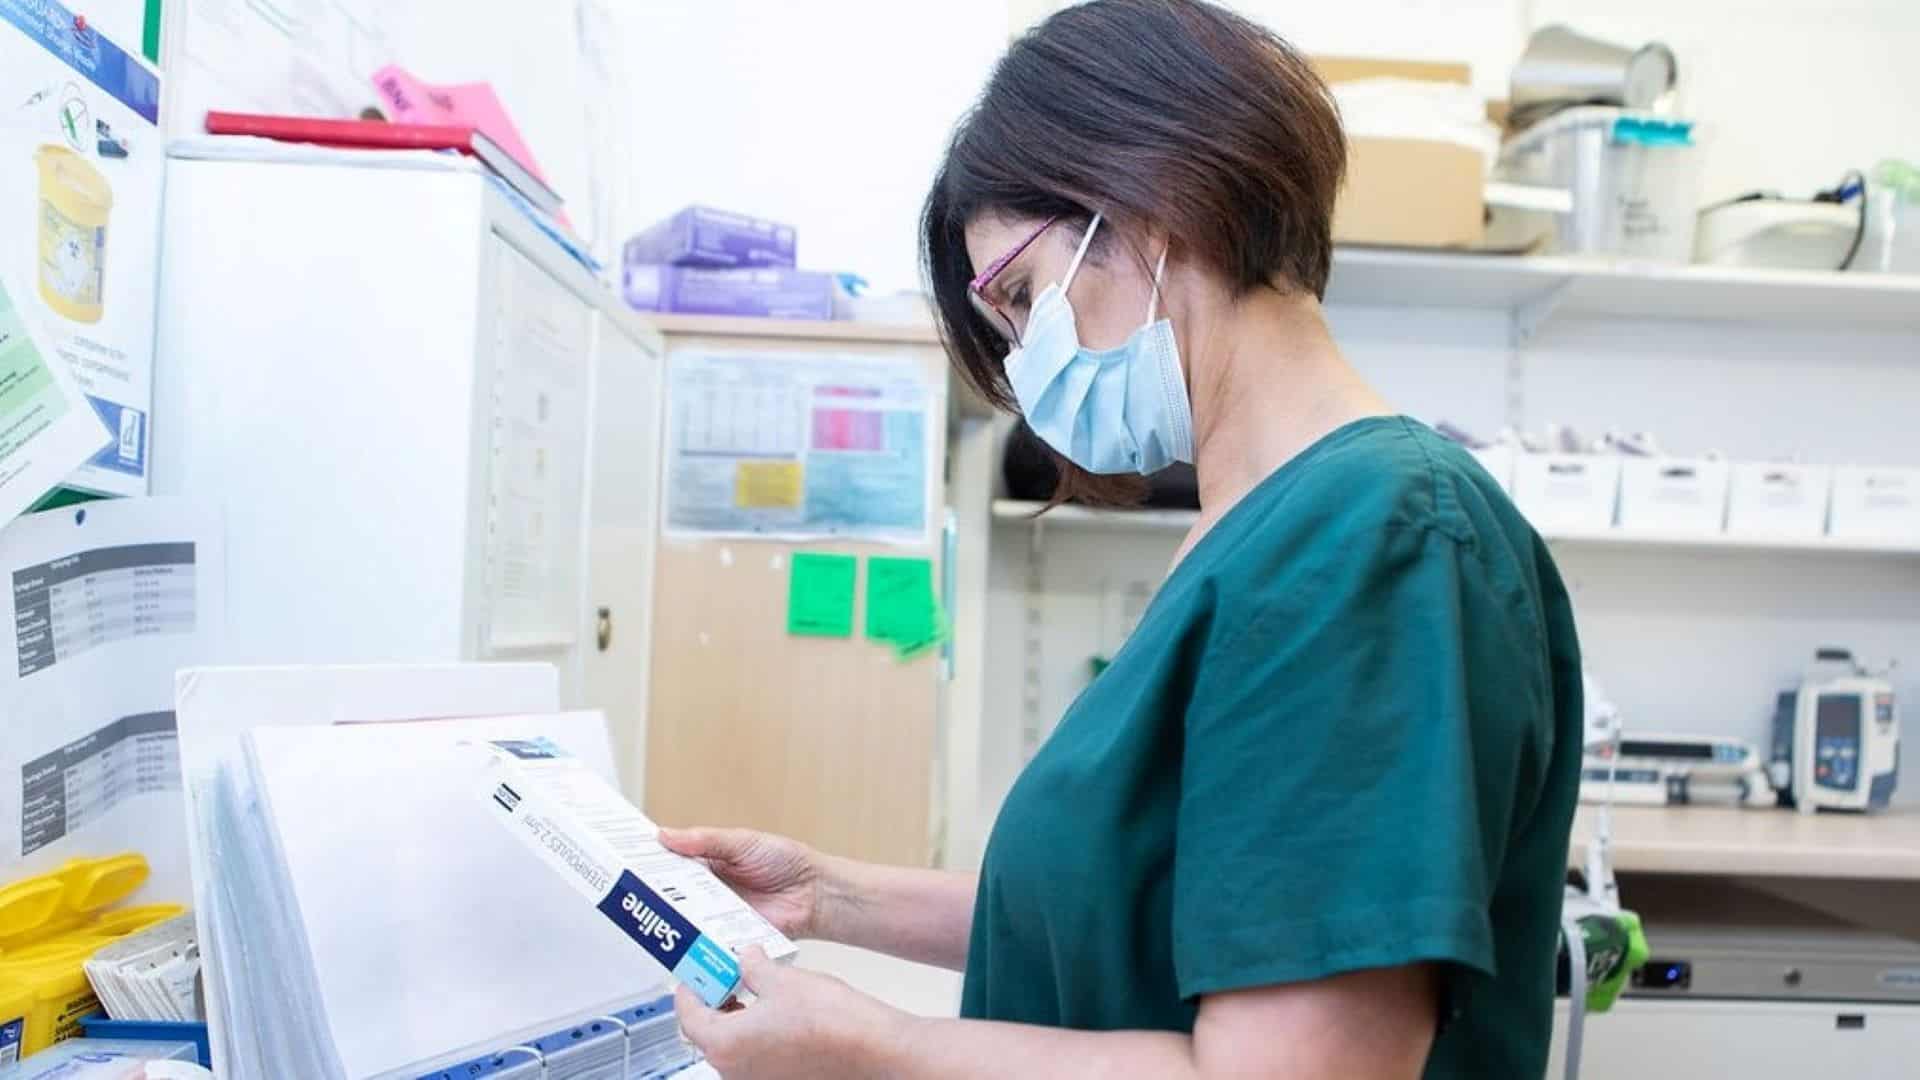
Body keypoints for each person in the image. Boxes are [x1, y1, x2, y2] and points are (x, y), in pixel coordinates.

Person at [664, 2, 1583, 1076]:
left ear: (1155, 198)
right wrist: (829, 896)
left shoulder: (1375, 544)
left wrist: (877, 1048)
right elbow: (1137, 917)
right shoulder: (1249, 532)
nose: (1028, 365)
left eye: (1020, 295)